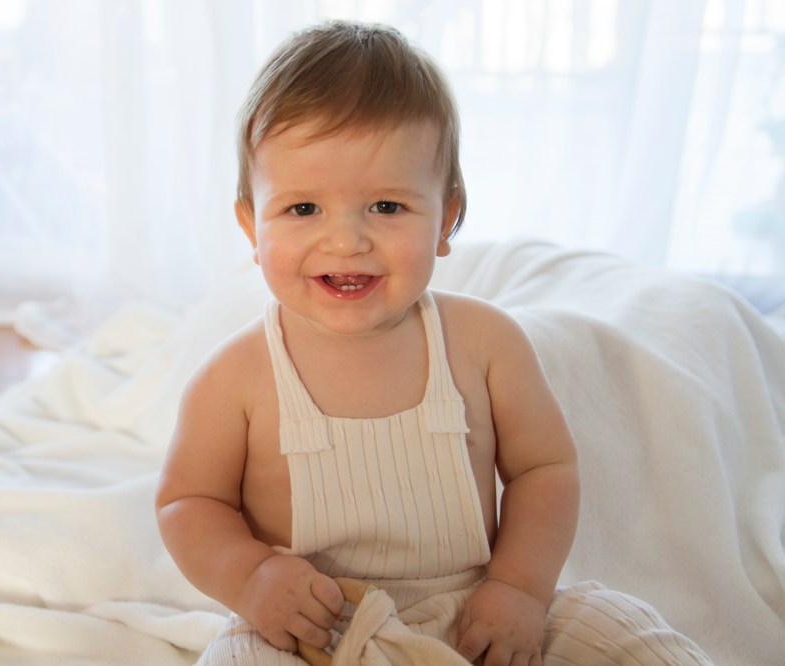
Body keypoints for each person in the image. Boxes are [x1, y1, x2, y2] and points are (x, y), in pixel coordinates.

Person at [156, 20, 712, 665]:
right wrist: (252, 579)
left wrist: (520, 589)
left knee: (627, 632)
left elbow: (544, 470)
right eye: (303, 209)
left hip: (479, 606)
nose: (347, 241)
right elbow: (188, 502)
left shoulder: (484, 343)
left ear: (446, 219)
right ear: (252, 225)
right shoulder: (237, 376)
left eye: (387, 207)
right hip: (314, 626)